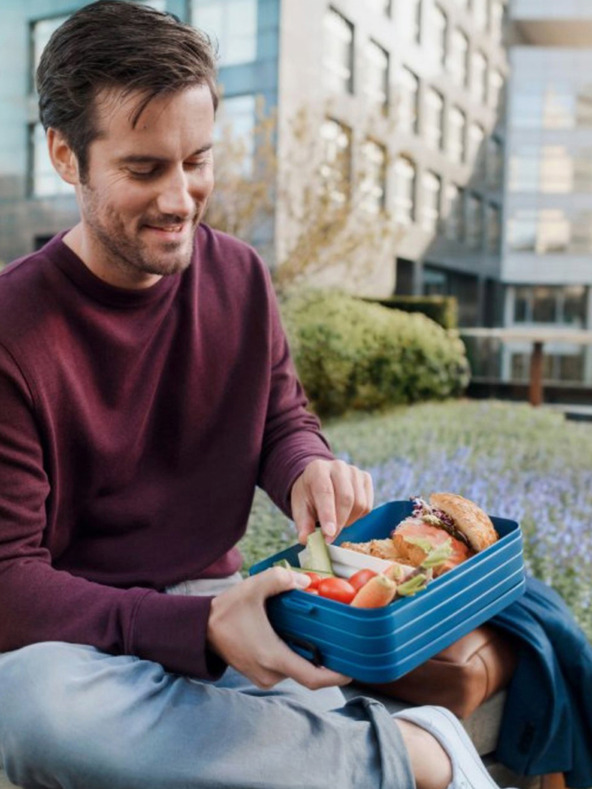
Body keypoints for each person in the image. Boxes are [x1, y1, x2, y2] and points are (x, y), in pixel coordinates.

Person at [0, 3, 515, 788]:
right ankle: (418, 753)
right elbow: (9, 582)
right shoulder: (11, 328)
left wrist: (307, 464)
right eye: (145, 169)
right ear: (67, 156)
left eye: (198, 160)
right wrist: (196, 628)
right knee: (35, 705)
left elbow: (282, 417)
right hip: (82, 637)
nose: (181, 198)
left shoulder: (239, 275)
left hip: (227, 601)